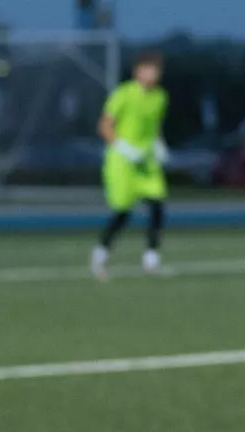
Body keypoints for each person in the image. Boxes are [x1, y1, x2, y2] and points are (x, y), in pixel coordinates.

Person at [91, 51, 171, 280]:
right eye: (148, 69)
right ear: (137, 71)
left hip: (146, 161)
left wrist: (159, 144)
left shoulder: (160, 97)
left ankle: (151, 258)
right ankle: (101, 253)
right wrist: (124, 148)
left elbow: (155, 126)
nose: (152, 74)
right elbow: (104, 126)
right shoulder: (123, 94)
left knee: (157, 204)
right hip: (122, 161)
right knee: (123, 212)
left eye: (156, 70)